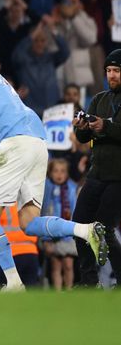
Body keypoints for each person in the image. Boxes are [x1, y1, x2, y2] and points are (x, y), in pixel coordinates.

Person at [0, 51, 108, 292]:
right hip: (36, 142)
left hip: (13, 142)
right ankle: (85, 230)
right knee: (29, 222)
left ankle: (13, 282)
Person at [72, 49, 121, 287]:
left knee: (104, 229)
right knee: (79, 225)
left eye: (117, 71)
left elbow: (108, 129)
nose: (112, 75)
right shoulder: (100, 99)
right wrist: (81, 127)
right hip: (97, 173)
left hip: (118, 177)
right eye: (109, 71)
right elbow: (83, 137)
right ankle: (89, 282)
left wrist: (106, 127)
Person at [12, 19, 71, 116]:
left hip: (51, 108)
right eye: (36, 40)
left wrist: (53, 31)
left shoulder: (51, 58)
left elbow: (65, 52)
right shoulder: (23, 60)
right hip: (30, 108)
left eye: (42, 41)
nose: (39, 44)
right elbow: (17, 55)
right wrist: (33, 34)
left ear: (46, 42)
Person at [41, 158, 78, 291]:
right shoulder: (46, 188)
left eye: (62, 171)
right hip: (51, 234)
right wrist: (45, 238)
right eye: (55, 171)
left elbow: (75, 212)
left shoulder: (72, 188)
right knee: (56, 265)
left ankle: (68, 290)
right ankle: (57, 293)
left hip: (68, 234)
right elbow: (44, 212)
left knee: (68, 264)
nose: (59, 174)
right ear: (50, 173)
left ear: (67, 173)